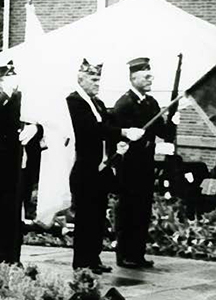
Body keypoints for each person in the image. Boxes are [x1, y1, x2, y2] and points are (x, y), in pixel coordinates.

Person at [66, 59, 144, 273]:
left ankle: (94, 258)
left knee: (98, 215)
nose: (97, 83)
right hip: (85, 167)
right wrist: (124, 132)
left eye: (98, 79)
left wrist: (119, 140)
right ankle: (82, 262)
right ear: (81, 79)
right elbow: (90, 129)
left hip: (102, 167)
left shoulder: (98, 103)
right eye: (93, 79)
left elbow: (109, 124)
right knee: (85, 216)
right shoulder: (75, 102)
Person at [111, 56, 175, 269]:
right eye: (146, 76)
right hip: (129, 166)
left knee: (142, 209)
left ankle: (137, 254)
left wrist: (173, 121)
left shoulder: (151, 102)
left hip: (146, 164)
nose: (150, 79)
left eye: (151, 76)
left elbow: (164, 133)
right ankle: (124, 255)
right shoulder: (124, 104)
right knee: (128, 209)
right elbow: (118, 138)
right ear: (133, 78)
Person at [0, 61, 38, 268]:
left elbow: (34, 119)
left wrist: (36, 128)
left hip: (17, 164)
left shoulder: (21, 100)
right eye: (9, 79)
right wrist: (7, 92)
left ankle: (13, 258)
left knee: (14, 216)